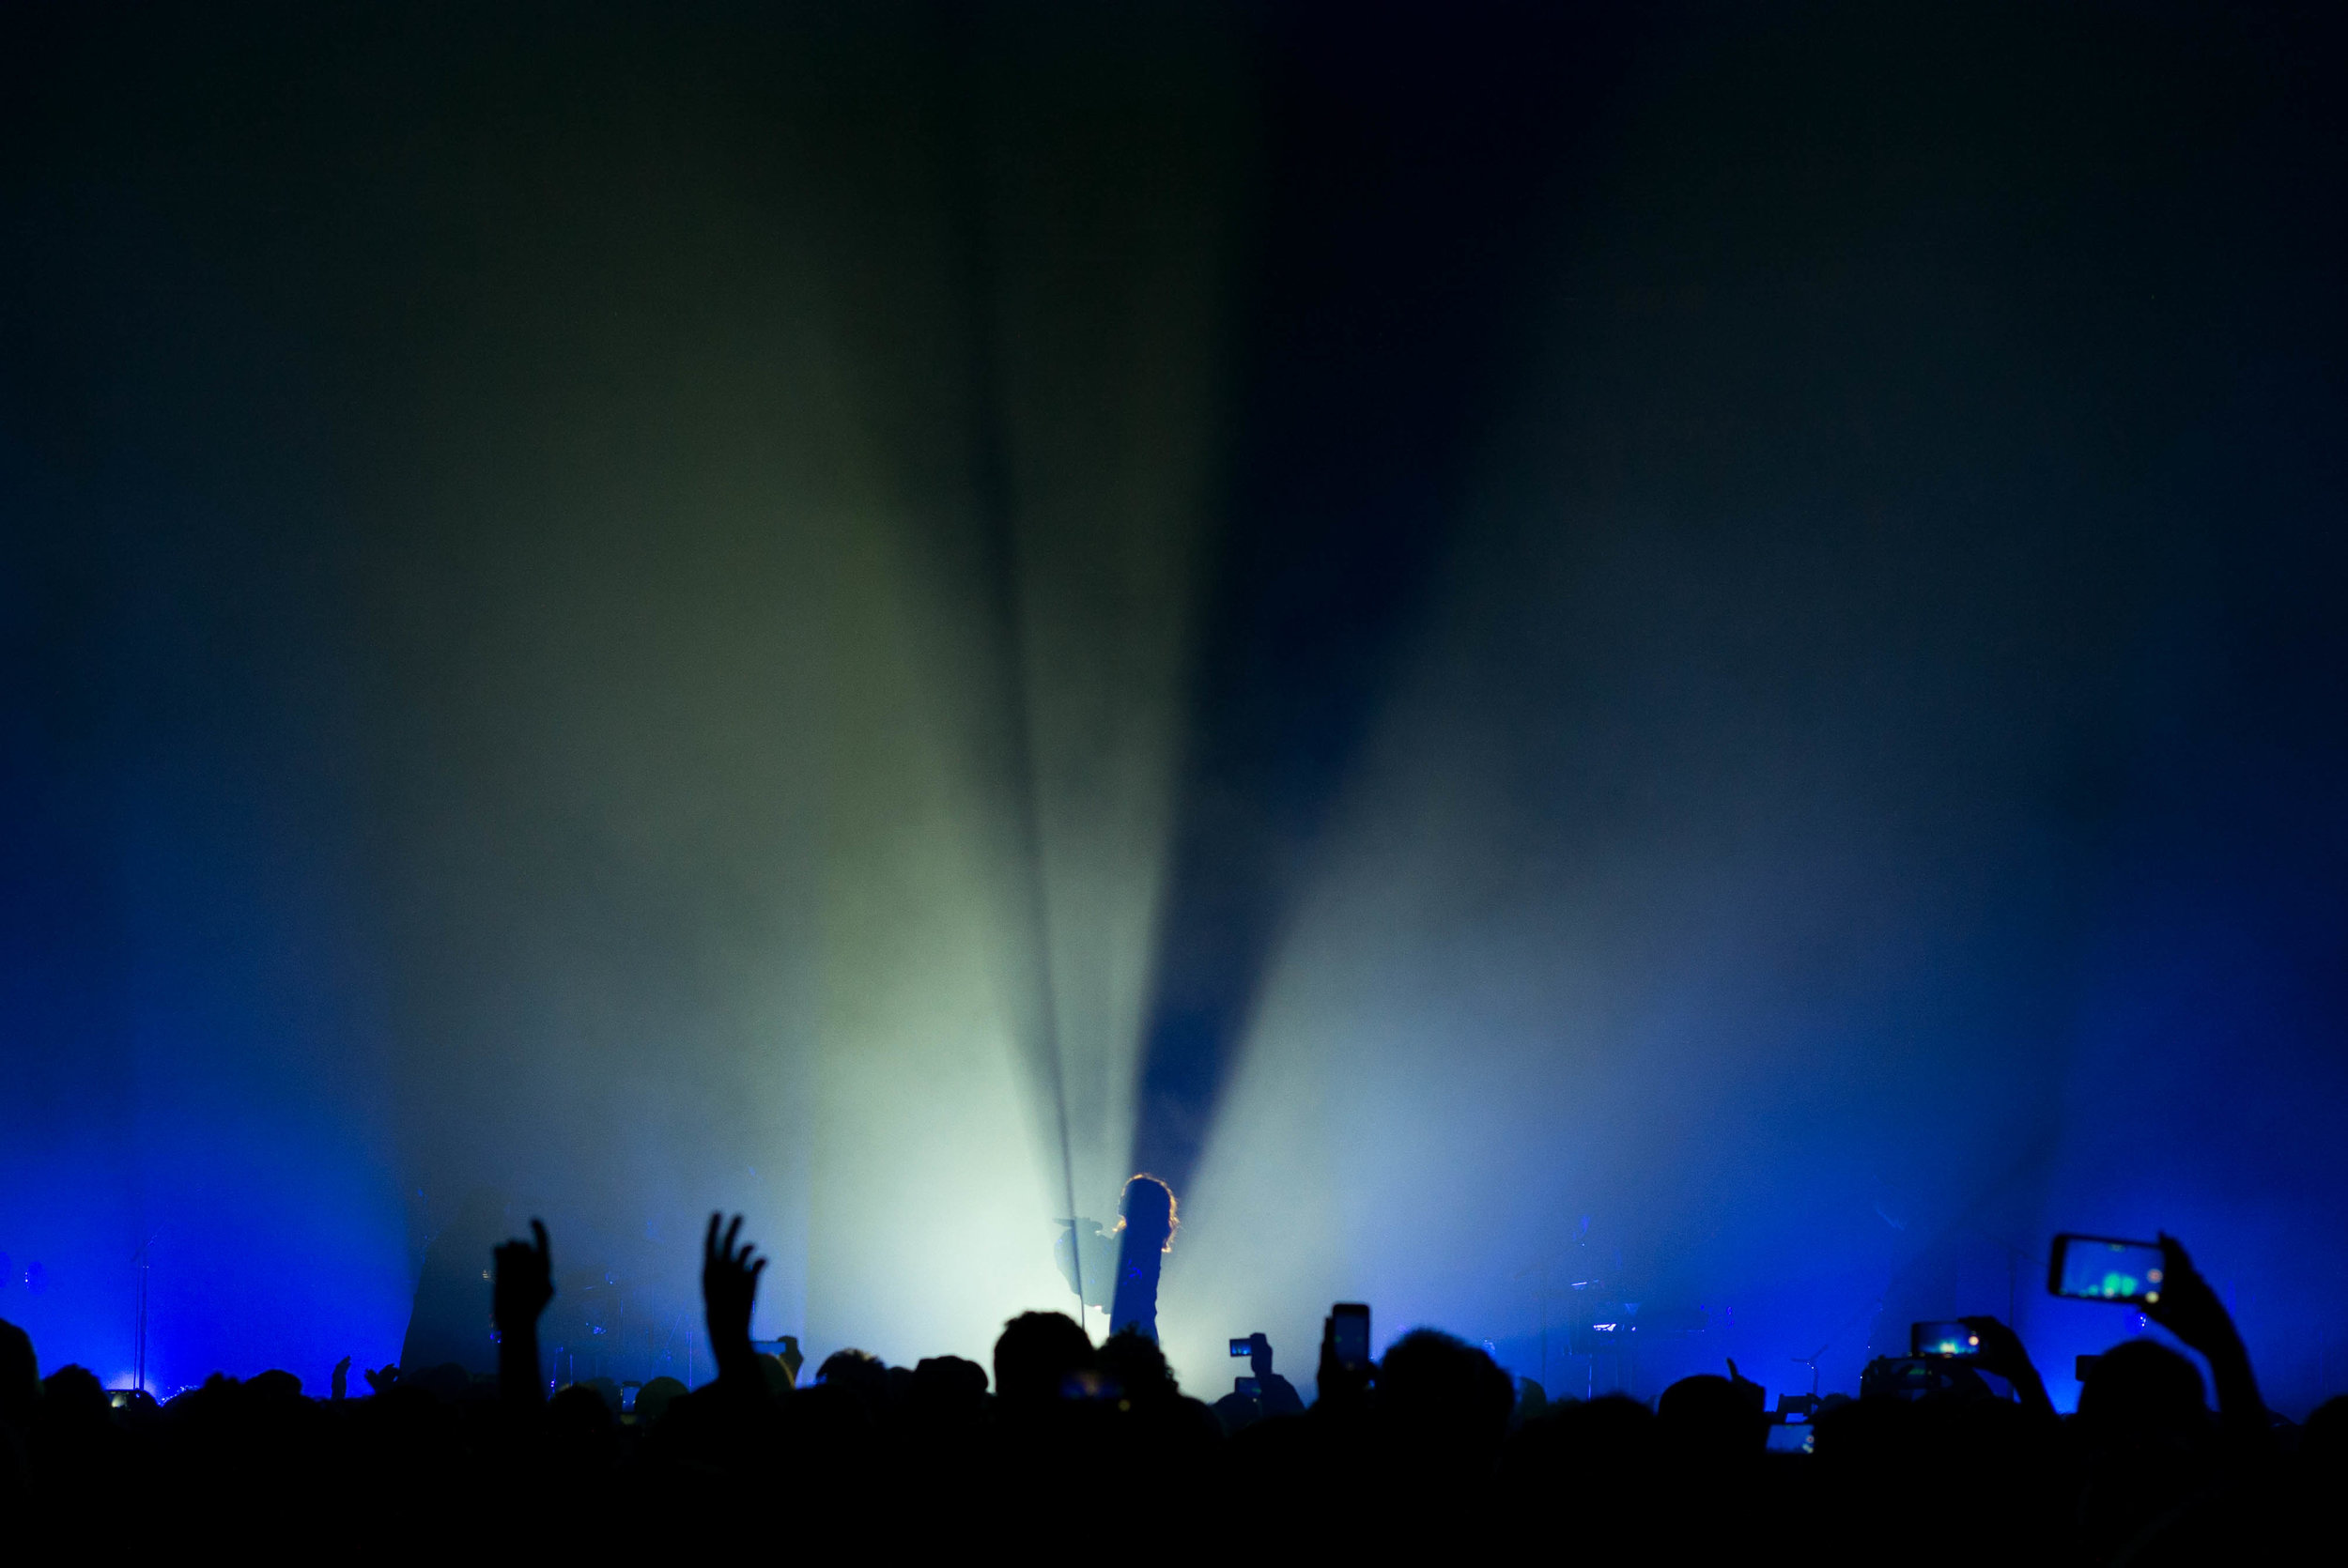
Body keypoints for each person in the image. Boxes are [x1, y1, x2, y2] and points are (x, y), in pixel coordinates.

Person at [1106, 1175, 1178, 1343]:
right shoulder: (1131, 1238)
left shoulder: (1143, 1241)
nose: (1121, 1198)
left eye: (1126, 1195)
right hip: (1127, 1329)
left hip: (1137, 1333)